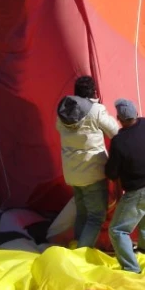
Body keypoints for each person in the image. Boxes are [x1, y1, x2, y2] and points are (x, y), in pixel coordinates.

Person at [56, 75, 119, 248]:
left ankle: (76, 245)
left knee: (82, 213)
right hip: (92, 171)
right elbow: (115, 131)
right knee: (96, 216)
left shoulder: (63, 110)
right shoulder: (96, 110)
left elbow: (58, 128)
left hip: (72, 172)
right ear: (93, 92)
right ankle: (81, 253)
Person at [105, 98, 145, 273]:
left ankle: (131, 268)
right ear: (136, 113)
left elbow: (111, 173)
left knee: (117, 230)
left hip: (141, 191)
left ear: (119, 119)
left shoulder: (119, 141)